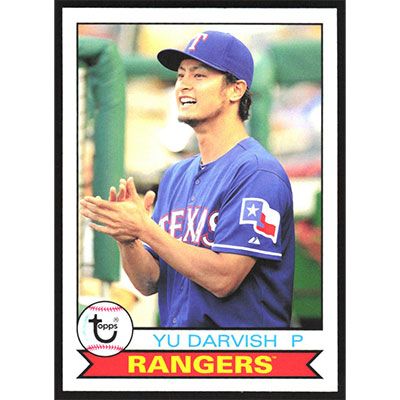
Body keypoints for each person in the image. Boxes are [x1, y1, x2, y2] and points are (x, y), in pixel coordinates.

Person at [80, 30, 295, 328]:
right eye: (181, 75)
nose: (184, 84)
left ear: (235, 90)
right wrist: (128, 240)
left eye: (199, 75)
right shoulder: (176, 175)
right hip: (178, 348)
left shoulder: (257, 173)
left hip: (242, 350)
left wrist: (146, 229)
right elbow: (149, 281)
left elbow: (223, 279)